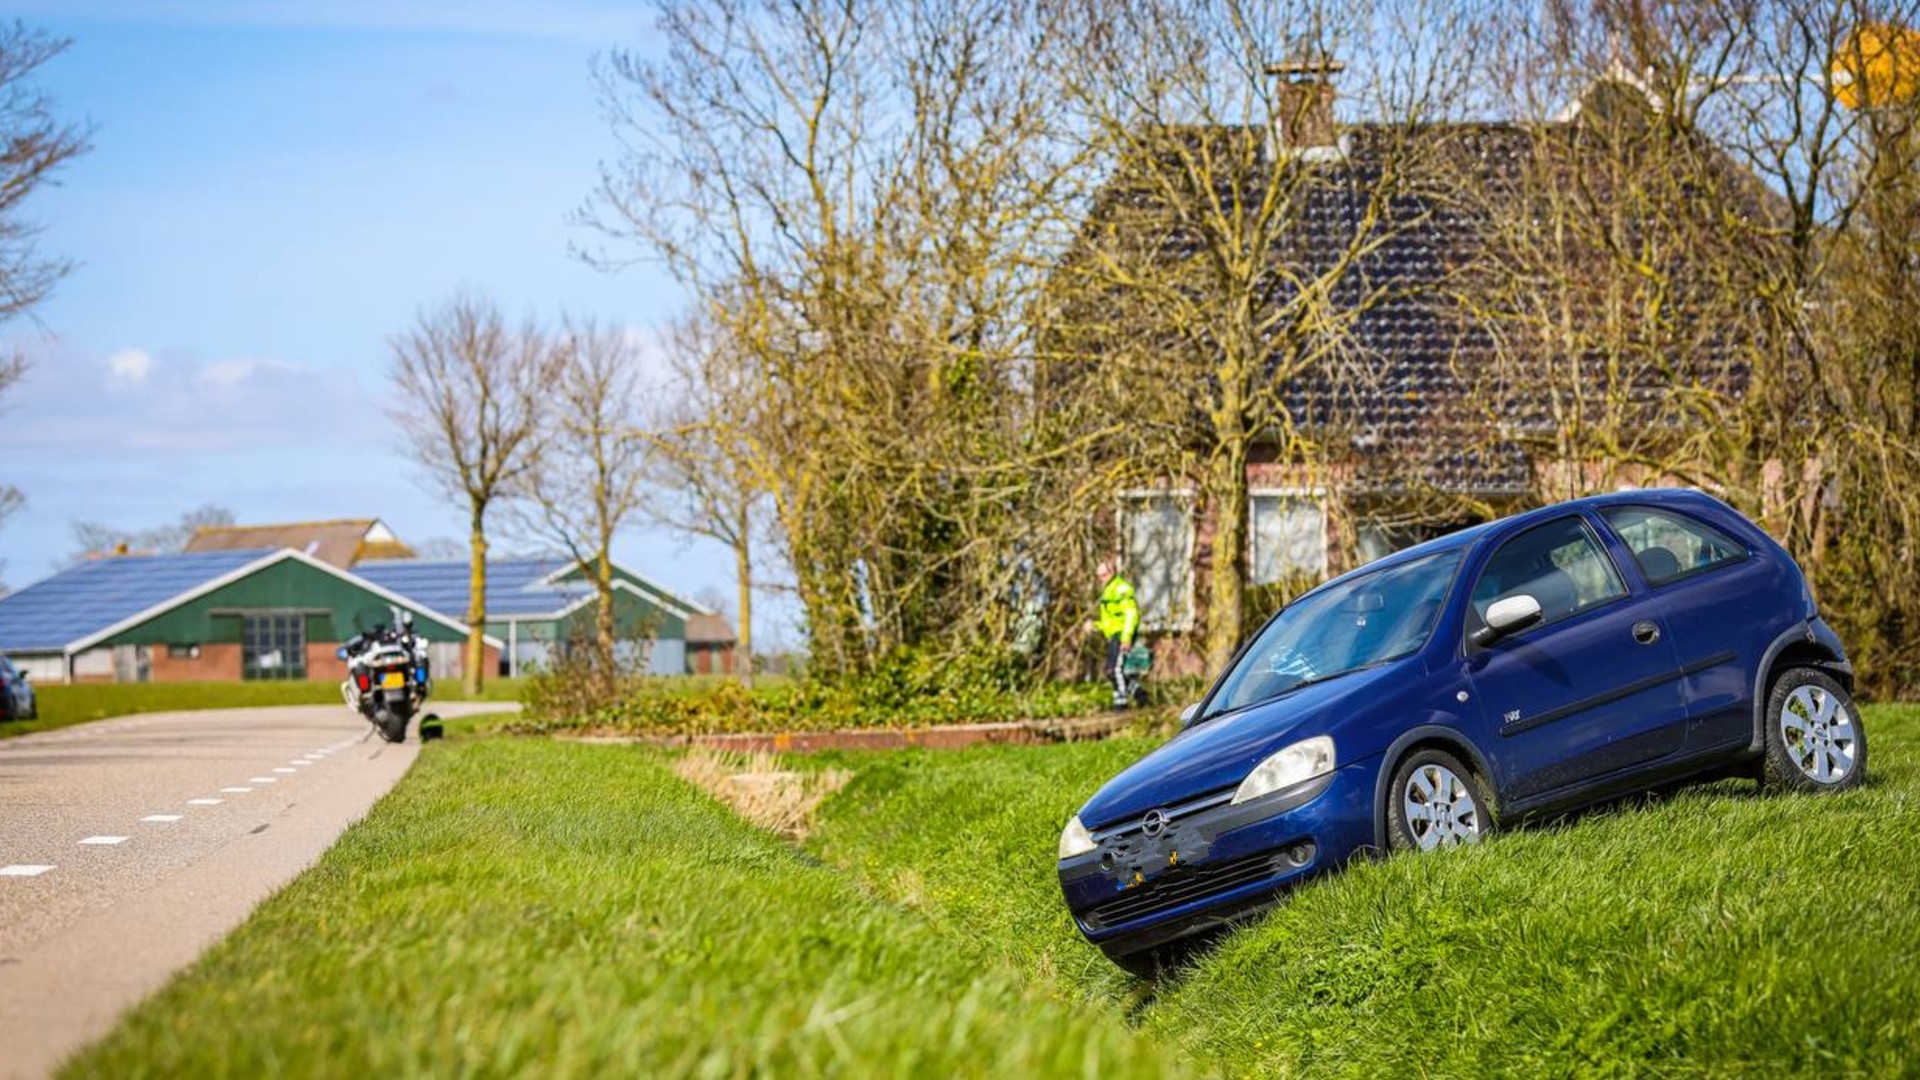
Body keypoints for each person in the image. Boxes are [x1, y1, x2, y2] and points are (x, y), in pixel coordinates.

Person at [1095, 555, 1141, 708]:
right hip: (1115, 634)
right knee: (1110, 670)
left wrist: (1126, 638)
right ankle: (1141, 695)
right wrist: (1096, 626)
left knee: (1115, 669)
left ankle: (1121, 705)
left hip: (1122, 634)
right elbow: (1110, 621)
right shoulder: (1108, 589)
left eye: (1103, 575)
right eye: (1099, 576)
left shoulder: (1121, 589)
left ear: (1112, 572)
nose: (1101, 579)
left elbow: (1130, 614)